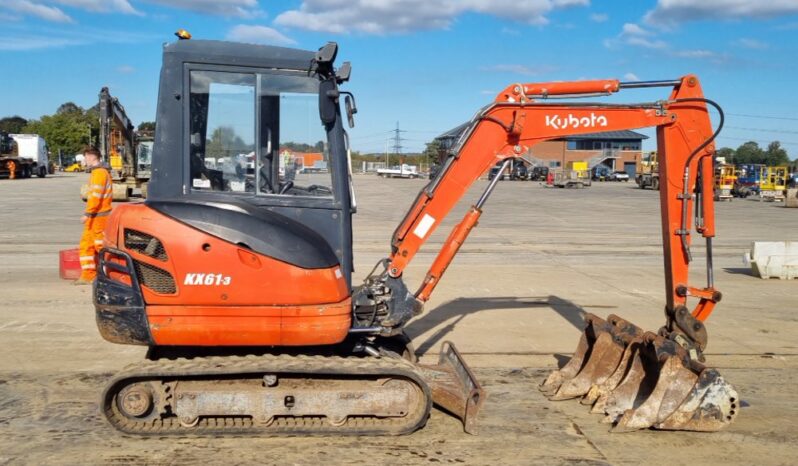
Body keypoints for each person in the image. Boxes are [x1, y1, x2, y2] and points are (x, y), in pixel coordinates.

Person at [75, 147, 112, 285]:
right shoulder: (99, 172)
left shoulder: (99, 174)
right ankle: (88, 275)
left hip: (98, 217)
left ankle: (111, 275)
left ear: (91, 157)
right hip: (96, 216)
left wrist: (88, 213)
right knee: (87, 246)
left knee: (100, 248)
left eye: (85, 157)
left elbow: (96, 197)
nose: (84, 160)